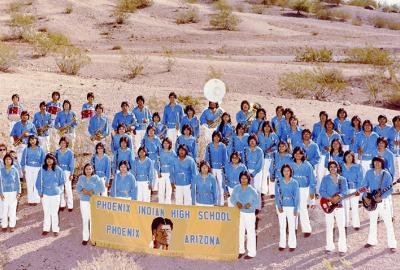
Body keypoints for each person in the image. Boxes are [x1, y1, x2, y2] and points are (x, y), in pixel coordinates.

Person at [362, 156, 397, 253]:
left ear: (382, 163)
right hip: (372, 201)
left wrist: (381, 197)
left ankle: (392, 244)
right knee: (372, 221)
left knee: (388, 222)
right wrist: (365, 197)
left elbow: (390, 189)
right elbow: (364, 186)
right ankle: (372, 241)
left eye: (379, 162)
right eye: (375, 162)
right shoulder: (369, 173)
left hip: (383, 201)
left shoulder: (386, 174)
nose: (377, 164)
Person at [320, 160, 348, 256]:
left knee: (341, 226)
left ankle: (342, 248)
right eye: (331, 167)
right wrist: (330, 198)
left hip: (339, 206)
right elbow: (321, 191)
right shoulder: (325, 179)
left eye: (334, 167)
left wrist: (338, 196)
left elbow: (345, 191)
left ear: (337, 168)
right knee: (329, 226)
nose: (333, 168)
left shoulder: (342, 179)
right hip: (328, 204)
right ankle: (329, 247)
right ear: (329, 168)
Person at [230, 171, 260, 259]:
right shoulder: (236, 188)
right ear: (239, 179)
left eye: (245, 178)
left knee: (250, 232)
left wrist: (250, 204)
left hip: (249, 214)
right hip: (239, 213)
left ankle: (252, 252)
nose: (243, 180)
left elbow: (258, 203)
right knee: (240, 231)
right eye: (242, 178)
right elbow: (232, 199)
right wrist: (236, 203)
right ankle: (241, 250)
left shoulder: (252, 190)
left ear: (248, 179)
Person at [36, 153, 66, 236]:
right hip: (45, 194)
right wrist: (40, 191)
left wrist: (59, 191)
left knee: (54, 212)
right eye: (47, 159)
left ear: (54, 160)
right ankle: (46, 229)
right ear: (45, 160)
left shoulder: (58, 170)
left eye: (51, 159)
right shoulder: (42, 170)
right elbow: (38, 182)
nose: (49, 160)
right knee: (46, 212)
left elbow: (62, 182)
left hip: (55, 194)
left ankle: (55, 229)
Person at [290, 147, 316, 238]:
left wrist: (312, 192)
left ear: (303, 154)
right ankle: (293, 227)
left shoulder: (307, 165)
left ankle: (306, 228)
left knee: (303, 208)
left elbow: (312, 179)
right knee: (293, 208)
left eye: (300, 153)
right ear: (293, 154)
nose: (298, 155)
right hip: (292, 189)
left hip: (304, 189)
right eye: (296, 153)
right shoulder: (290, 164)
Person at [76, 163, 103, 245]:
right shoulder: (81, 178)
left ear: (92, 170)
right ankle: (85, 238)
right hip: (84, 201)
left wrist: (93, 191)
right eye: (87, 169)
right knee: (85, 219)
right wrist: (83, 190)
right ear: (84, 170)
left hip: (93, 200)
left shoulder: (96, 178)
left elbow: (101, 187)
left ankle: (93, 238)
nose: (88, 170)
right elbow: (78, 188)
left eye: (90, 169)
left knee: (93, 219)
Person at [275, 164, 299, 252]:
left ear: (291, 171)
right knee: (282, 226)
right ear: (282, 172)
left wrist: (296, 208)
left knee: (292, 226)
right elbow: (277, 195)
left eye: (288, 171)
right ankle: (282, 244)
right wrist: (279, 206)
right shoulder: (278, 182)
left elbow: (297, 196)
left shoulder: (295, 182)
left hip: (291, 206)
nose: (286, 172)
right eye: (284, 171)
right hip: (282, 206)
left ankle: (292, 244)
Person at [316, 119, 341, 193]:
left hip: (333, 156)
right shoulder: (322, 134)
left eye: (331, 124)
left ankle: (330, 191)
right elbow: (318, 144)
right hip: (323, 156)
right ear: (325, 125)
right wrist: (324, 148)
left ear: (333, 125)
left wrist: (333, 148)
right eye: (327, 124)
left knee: (330, 174)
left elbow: (340, 145)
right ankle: (318, 191)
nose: (329, 125)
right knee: (320, 174)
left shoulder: (336, 134)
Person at [205, 131, 228, 206]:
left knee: (221, 186)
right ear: (213, 137)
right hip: (212, 168)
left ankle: (220, 203)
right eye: (215, 136)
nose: (216, 138)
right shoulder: (209, 146)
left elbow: (225, 158)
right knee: (212, 186)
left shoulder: (223, 146)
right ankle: (212, 202)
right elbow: (207, 158)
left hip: (220, 169)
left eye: (218, 136)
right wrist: (208, 169)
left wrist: (224, 168)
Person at [21, 135, 45, 205]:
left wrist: (42, 169)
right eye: (31, 140)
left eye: (33, 139)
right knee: (29, 184)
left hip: (38, 168)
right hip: (28, 168)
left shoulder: (40, 149)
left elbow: (43, 160)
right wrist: (23, 168)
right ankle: (30, 200)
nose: (32, 141)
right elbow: (23, 160)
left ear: (36, 140)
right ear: (29, 141)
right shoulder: (26, 149)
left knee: (36, 183)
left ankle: (36, 199)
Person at [341, 151, 363, 230]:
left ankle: (356, 224)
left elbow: (360, 179)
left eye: (350, 156)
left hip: (354, 189)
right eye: (347, 156)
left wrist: (358, 190)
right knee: (345, 206)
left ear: (353, 157)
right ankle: (345, 223)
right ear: (344, 157)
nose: (349, 158)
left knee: (354, 207)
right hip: (344, 190)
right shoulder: (341, 166)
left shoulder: (358, 166)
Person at [258, 121, 279, 196]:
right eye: (265, 126)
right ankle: (263, 190)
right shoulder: (260, 135)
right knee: (264, 173)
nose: (267, 128)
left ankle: (272, 191)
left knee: (271, 173)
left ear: (270, 128)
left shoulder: (274, 135)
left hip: (272, 157)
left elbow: (278, 145)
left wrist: (272, 149)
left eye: (268, 126)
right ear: (263, 127)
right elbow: (257, 145)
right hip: (263, 157)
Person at [0, 154, 21, 232]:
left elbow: (18, 182)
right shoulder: (1, 170)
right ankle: (4, 225)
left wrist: (18, 192)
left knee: (12, 209)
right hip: (4, 192)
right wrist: (1, 193)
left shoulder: (14, 169)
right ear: (4, 161)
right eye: (6, 159)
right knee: (4, 209)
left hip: (13, 192)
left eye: (9, 159)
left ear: (12, 161)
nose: (8, 161)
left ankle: (12, 225)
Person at [243, 134, 263, 209]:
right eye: (250, 140)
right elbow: (243, 161)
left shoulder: (259, 151)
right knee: (248, 188)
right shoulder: (245, 149)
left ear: (256, 141)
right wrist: (246, 171)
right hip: (247, 171)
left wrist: (254, 173)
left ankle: (257, 206)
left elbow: (260, 163)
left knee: (257, 188)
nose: (252, 142)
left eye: (253, 140)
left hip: (257, 171)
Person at [55, 137, 75, 211]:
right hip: (59, 171)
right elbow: (55, 163)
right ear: (59, 143)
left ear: (67, 144)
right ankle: (62, 204)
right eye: (61, 142)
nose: (63, 144)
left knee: (68, 189)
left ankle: (70, 205)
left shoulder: (70, 152)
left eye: (64, 143)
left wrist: (71, 174)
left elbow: (72, 164)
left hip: (67, 171)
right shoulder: (57, 152)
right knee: (61, 188)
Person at [142, 125, 161, 191]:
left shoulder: (157, 139)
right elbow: (141, 148)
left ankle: (154, 188)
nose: (151, 132)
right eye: (149, 131)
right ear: (147, 131)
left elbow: (160, 149)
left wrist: (159, 157)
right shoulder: (144, 139)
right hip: (147, 157)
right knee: (148, 171)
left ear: (154, 131)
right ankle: (148, 187)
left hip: (154, 157)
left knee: (155, 172)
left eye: (152, 131)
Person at [158, 138, 176, 204]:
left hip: (169, 172)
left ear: (169, 144)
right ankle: (161, 203)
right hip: (162, 172)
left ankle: (168, 203)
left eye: (167, 143)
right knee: (161, 189)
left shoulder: (172, 152)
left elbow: (175, 163)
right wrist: (158, 172)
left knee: (169, 189)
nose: (165, 145)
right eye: (164, 143)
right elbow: (158, 162)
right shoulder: (160, 151)